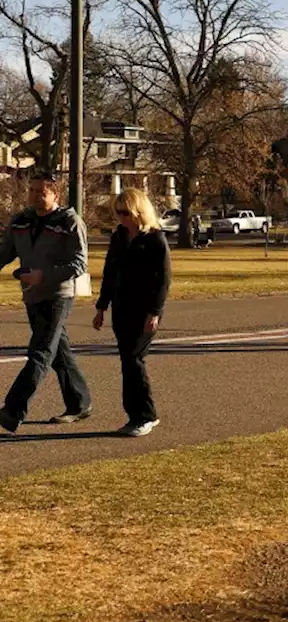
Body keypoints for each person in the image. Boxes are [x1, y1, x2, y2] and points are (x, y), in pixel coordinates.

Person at [0, 170, 92, 434]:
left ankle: (12, 410)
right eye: (32, 190)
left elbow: (79, 262)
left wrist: (45, 276)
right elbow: (4, 252)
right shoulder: (21, 221)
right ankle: (79, 403)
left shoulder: (69, 221)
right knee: (58, 353)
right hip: (31, 295)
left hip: (58, 296)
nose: (36, 196)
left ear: (56, 194)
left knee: (40, 353)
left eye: (42, 192)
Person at [92, 189, 171, 437]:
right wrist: (101, 306)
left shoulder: (155, 239)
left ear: (139, 211)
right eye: (118, 213)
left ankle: (143, 416)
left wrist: (154, 312)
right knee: (128, 360)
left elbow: (163, 280)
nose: (121, 218)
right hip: (121, 307)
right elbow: (109, 273)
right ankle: (140, 414)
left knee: (133, 361)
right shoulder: (119, 237)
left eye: (126, 212)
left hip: (145, 310)